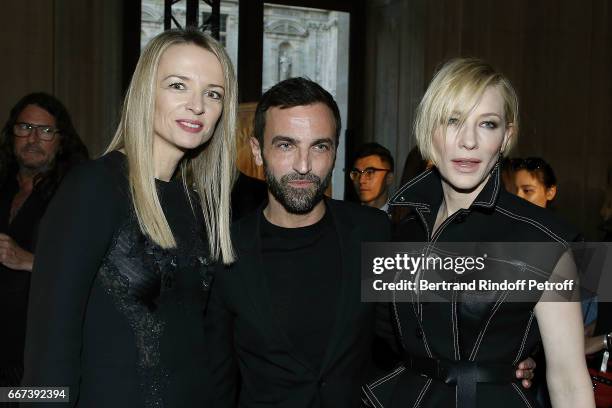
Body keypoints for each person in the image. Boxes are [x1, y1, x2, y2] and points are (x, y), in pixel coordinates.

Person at [205, 77, 535, 408]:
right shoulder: (225, 247)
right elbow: (215, 380)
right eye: (286, 145)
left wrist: (501, 360)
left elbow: (417, 329)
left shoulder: (371, 231)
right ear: (257, 151)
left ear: (335, 152)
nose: (303, 165)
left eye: (319, 146)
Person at [23, 28, 237, 407]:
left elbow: (208, 346)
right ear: (145, 92)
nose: (197, 105)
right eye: (177, 85)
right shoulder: (94, 187)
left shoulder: (202, 205)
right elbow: (48, 343)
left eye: (213, 93)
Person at [365, 58, 594, 407]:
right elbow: (380, 341)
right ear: (428, 131)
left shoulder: (544, 240)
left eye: (487, 124)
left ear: (506, 137)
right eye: (453, 120)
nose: (468, 140)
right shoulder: (400, 232)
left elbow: (569, 380)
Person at [0, 93, 88, 391]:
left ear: (61, 140)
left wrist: (28, 260)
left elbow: (98, 271)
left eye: (46, 130)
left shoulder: (77, 193)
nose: (33, 138)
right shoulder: (3, 186)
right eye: (24, 127)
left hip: (43, 352)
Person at [350, 142, 394, 211]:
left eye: (369, 172)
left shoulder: (400, 218)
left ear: (389, 178)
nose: (361, 180)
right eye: (356, 173)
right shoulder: (345, 217)